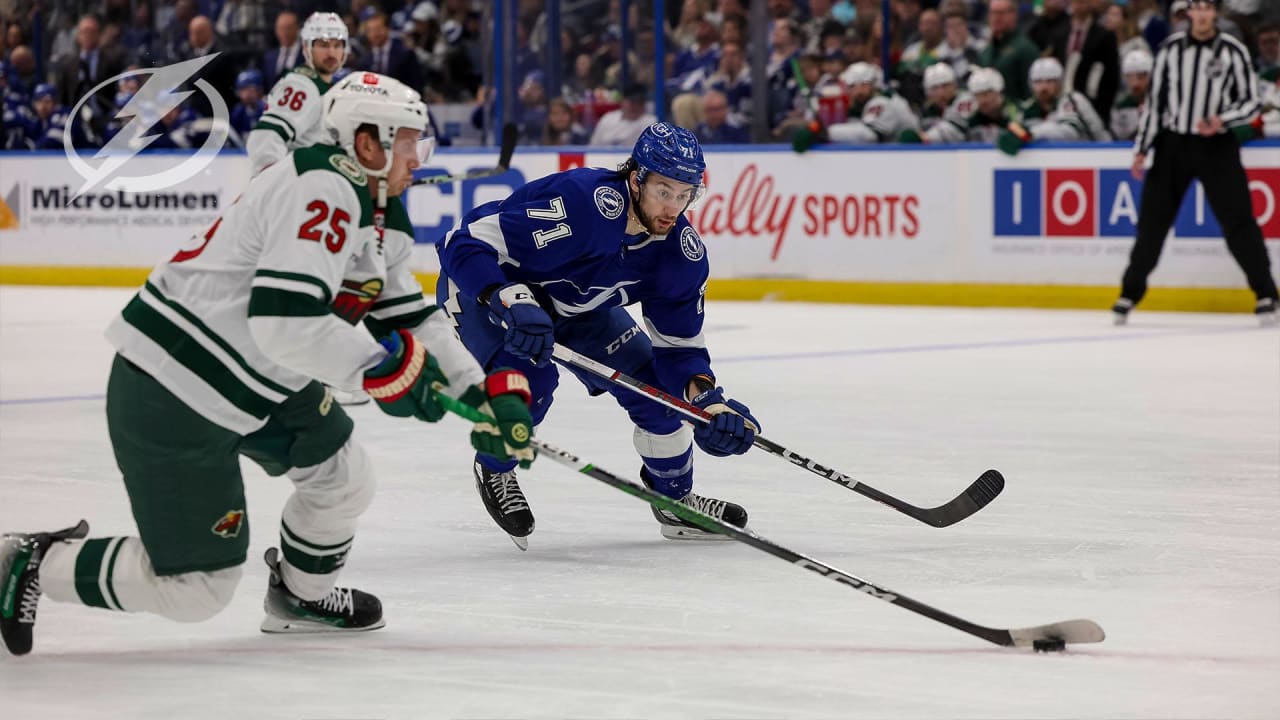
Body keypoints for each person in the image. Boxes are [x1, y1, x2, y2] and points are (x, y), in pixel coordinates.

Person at [0, 72, 535, 657]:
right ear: (366, 143)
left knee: (342, 476)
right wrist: (382, 373)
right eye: (407, 142)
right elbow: (286, 322)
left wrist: (481, 391)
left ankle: (300, 597)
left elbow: (410, 315)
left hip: (259, 378)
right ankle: (30, 562)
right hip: (178, 384)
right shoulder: (322, 189)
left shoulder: (371, 204)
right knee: (196, 588)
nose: (418, 157)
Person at [435, 122, 759, 548]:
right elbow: (462, 243)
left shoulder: (680, 254)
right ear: (636, 178)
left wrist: (705, 402)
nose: (673, 208)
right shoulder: (583, 205)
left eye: (685, 195)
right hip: (488, 290)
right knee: (528, 386)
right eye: (664, 191)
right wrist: (510, 298)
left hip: (578, 310)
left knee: (661, 396)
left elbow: (679, 350)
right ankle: (495, 466)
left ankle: (675, 502)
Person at [1115, 0, 1278, 326]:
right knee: (1152, 223)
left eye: (1207, 7)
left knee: (1239, 220)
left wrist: (1222, 120)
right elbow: (1156, 104)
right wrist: (1142, 147)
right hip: (1174, 144)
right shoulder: (1170, 50)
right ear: (1188, 12)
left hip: (1216, 145)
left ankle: (1266, 293)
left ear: (1215, 13)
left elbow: (1250, 103)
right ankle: (1129, 293)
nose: (1202, 14)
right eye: (1196, 7)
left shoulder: (1233, 50)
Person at [247, 12, 349, 178]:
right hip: (296, 191)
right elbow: (266, 137)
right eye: (323, 45)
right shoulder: (301, 85)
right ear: (306, 48)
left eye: (337, 45)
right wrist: (270, 184)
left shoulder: (328, 88)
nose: (331, 53)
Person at [996, 57, 1110, 156]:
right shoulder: (1028, 109)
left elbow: (1070, 133)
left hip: (1096, 157)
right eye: (1038, 82)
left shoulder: (1073, 99)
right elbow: (1019, 132)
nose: (1043, 87)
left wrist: (1032, 133)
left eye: (1049, 81)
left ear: (1059, 82)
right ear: (1030, 84)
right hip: (1054, 163)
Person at [826, 62, 920, 144]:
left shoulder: (882, 100)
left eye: (863, 84)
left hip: (911, 154)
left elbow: (869, 135)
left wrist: (827, 132)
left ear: (871, 84)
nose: (857, 91)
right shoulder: (869, 101)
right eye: (852, 87)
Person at [1109, 50, 1152, 141]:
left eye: (1141, 76)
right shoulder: (1121, 106)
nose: (1135, 83)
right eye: (1130, 77)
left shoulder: (1159, 105)